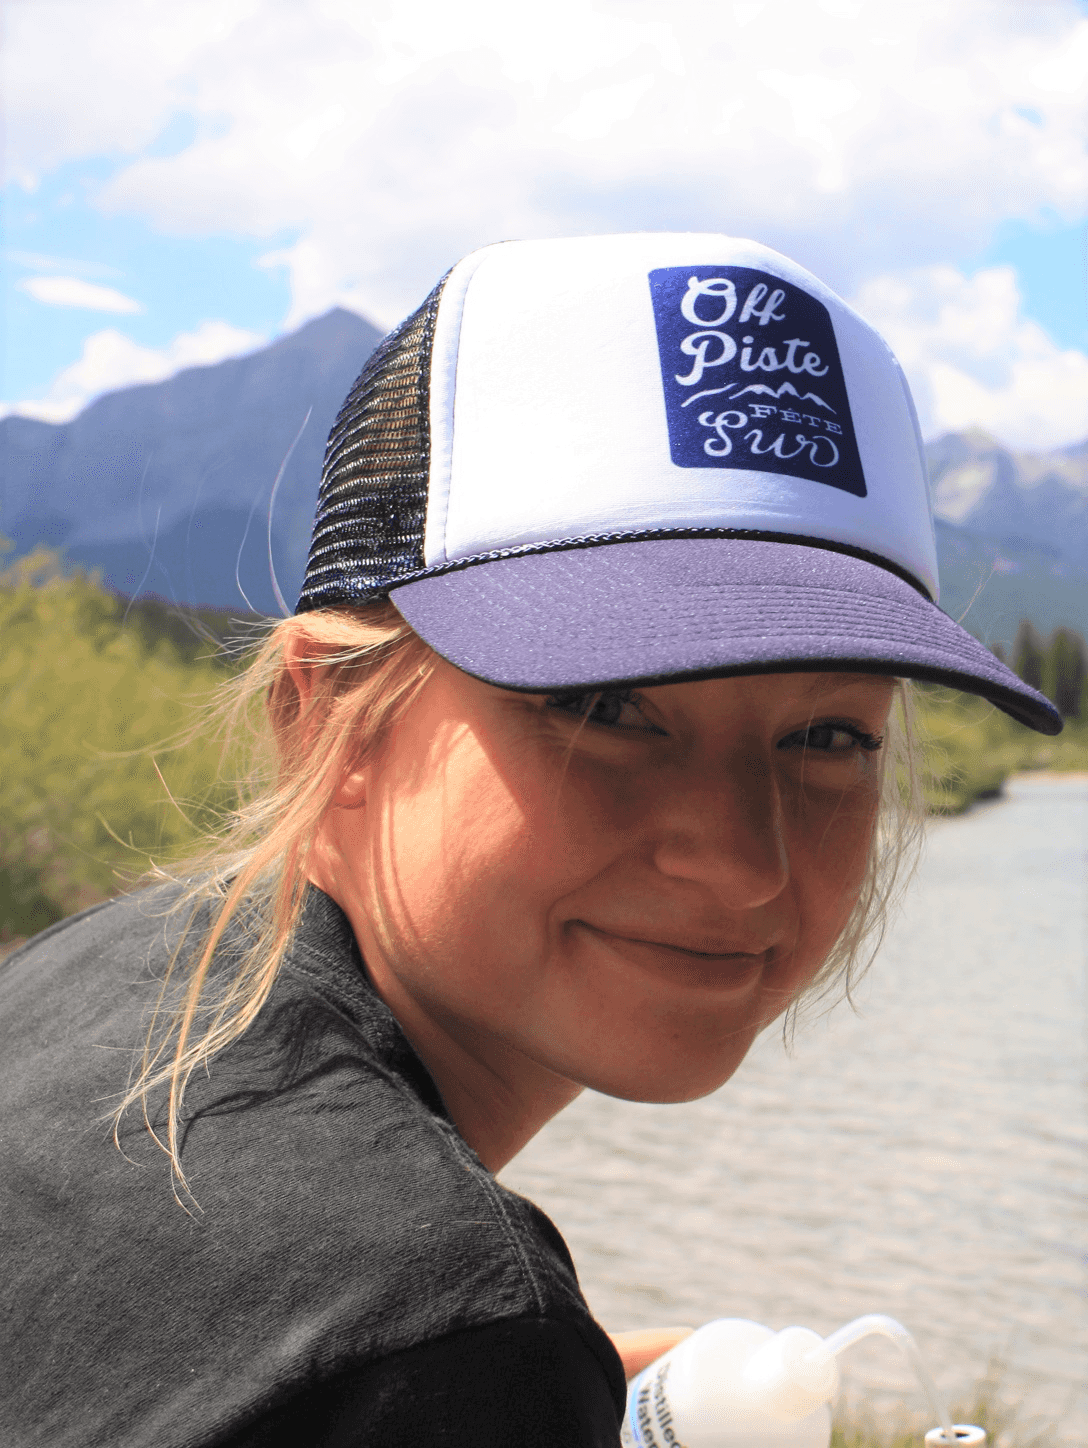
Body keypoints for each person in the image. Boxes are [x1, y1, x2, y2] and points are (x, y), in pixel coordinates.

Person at [0, 233, 1059, 1448]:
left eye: (827, 735)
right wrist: (486, 1374)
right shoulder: (441, 1322)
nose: (744, 860)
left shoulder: (98, 979)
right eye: (607, 708)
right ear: (323, 718)